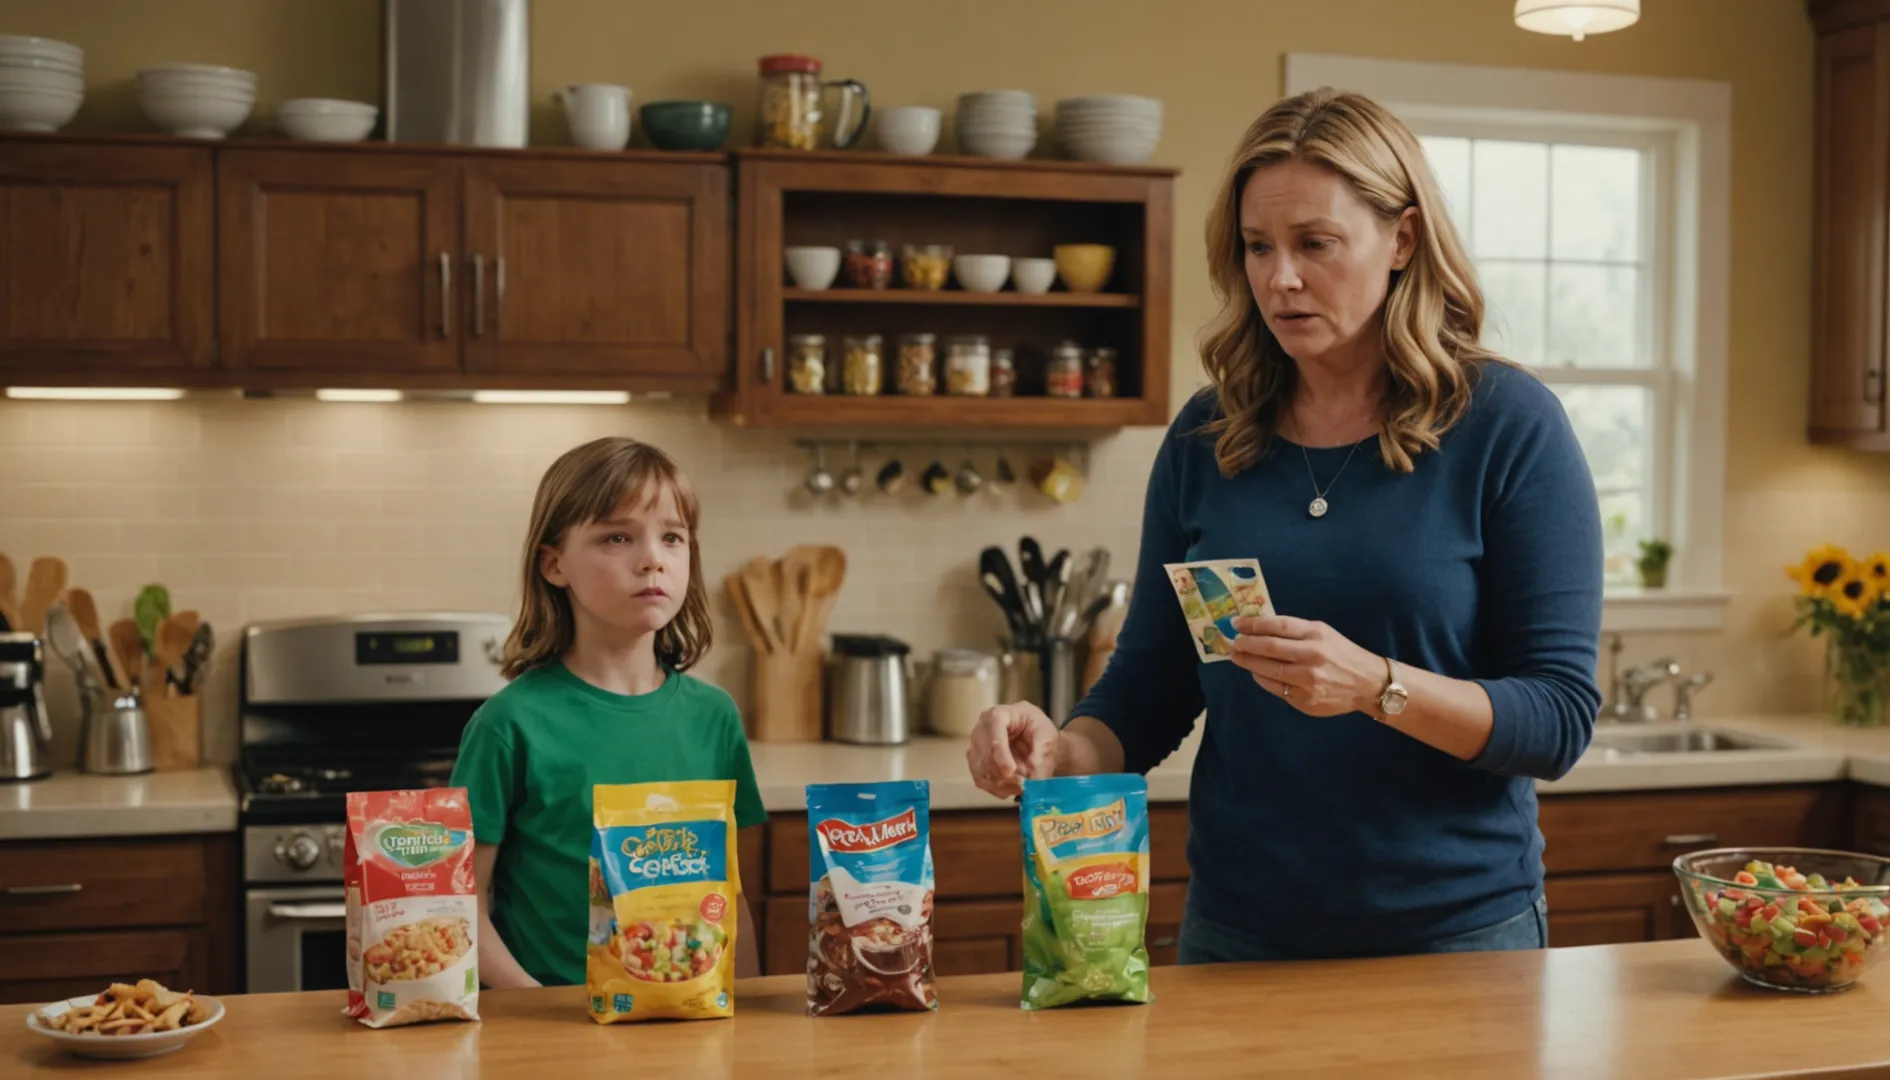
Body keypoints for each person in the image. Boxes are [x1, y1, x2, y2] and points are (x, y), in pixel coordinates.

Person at [965, 87, 1604, 963]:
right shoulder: (1206, 435)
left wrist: (1375, 684)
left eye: (1316, 244)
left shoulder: (1505, 424)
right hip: (1237, 933)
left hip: (1456, 938)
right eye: (1258, 247)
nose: (1281, 278)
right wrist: (1060, 750)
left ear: (1403, 240)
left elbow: (1559, 718)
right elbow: (1151, 687)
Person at [451, 436, 766, 987]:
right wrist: (538, 1007)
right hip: (556, 1036)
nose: (653, 559)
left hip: (690, 1022)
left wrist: (748, 1018)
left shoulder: (715, 717)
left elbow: (731, 899)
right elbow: (461, 905)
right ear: (554, 565)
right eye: (617, 537)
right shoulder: (509, 725)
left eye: (673, 537)